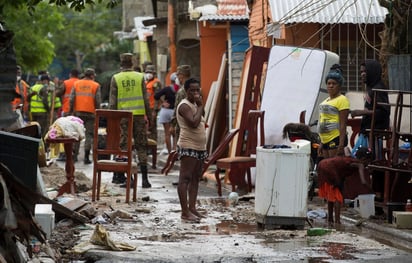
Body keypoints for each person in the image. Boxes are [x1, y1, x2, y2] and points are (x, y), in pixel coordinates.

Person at [109, 53, 152, 188]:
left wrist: (112, 120)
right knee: (141, 145)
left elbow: (112, 103)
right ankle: (145, 180)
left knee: (125, 146)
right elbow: (146, 99)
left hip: (123, 116)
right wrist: (149, 116)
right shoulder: (140, 77)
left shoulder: (116, 78)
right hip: (139, 115)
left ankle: (128, 179)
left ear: (121, 64)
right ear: (132, 63)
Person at [176, 78, 208, 222]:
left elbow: (202, 116)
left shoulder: (196, 104)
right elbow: (194, 123)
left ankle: (192, 208)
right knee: (185, 178)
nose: (195, 93)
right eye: (192, 90)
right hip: (188, 145)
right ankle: (184, 212)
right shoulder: (184, 106)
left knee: (195, 178)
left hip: (200, 147)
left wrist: (200, 105)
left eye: (197, 90)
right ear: (186, 91)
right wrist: (200, 105)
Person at [317, 147, 373, 224]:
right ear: (363, 159)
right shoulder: (360, 164)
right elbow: (363, 181)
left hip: (322, 164)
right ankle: (337, 221)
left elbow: (346, 148)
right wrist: (370, 190)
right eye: (368, 161)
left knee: (331, 195)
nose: (368, 164)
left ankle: (330, 219)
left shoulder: (350, 158)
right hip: (330, 169)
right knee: (338, 198)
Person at [350, 59, 390, 158]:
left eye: (365, 71)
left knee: (368, 160)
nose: (362, 74)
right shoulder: (370, 87)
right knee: (356, 158)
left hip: (374, 133)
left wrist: (362, 112)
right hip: (366, 131)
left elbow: (384, 112)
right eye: (361, 72)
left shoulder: (379, 89)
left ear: (373, 72)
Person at [69, 68, 101, 164]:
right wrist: (98, 111)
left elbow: (71, 98)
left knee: (77, 133)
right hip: (91, 113)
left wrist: (71, 111)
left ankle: (74, 157)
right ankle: (86, 157)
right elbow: (98, 100)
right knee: (88, 135)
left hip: (78, 112)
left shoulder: (77, 84)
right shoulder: (96, 85)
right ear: (92, 76)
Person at [317, 64, 350, 158]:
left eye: (334, 84)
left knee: (333, 168)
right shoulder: (324, 101)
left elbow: (343, 124)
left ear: (339, 86)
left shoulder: (342, 100)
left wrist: (341, 144)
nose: (331, 86)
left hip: (335, 139)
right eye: (328, 83)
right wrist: (321, 143)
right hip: (324, 141)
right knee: (327, 168)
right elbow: (322, 120)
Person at [154, 72, 177, 154]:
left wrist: (163, 102)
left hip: (165, 112)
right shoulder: (181, 89)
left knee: (167, 133)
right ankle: (175, 152)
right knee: (175, 134)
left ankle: (170, 152)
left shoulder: (167, 89)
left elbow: (156, 96)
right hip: (175, 112)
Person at [171, 65, 192, 142]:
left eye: (177, 75)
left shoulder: (182, 91)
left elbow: (177, 109)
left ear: (181, 75)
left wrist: (172, 125)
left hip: (182, 126)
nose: (177, 77)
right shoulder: (196, 89)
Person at [144, 64, 162, 141]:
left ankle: (153, 145)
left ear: (154, 73)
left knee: (152, 127)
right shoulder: (146, 82)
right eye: (147, 72)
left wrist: (155, 110)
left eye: (150, 72)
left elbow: (157, 97)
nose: (148, 74)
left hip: (152, 108)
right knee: (146, 127)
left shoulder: (156, 83)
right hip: (146, 108)